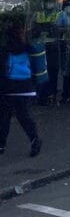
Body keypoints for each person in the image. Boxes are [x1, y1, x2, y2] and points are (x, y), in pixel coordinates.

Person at [1, 21, 44, 157]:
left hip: (8, 88)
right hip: (26, 87)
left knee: (4, 118)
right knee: (24, 117)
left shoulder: (5, 50)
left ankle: (1, 144)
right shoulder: (29, 48)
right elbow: (37, 67)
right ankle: (34, 139)